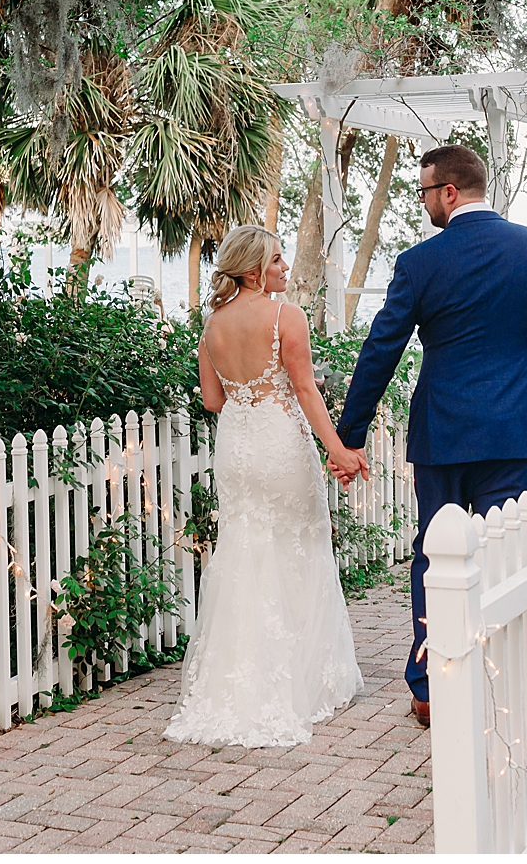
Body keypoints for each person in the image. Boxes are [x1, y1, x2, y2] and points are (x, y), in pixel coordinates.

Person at [335, 144, 527, 729]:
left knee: (434, 557)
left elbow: (381, 349)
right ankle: (502, 672)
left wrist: (351, 432)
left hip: (442, 434)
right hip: (514, 433)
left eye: (423, 191)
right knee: (505, 553)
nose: (421, 203)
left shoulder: (420, 263)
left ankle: (430, 688)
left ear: (449, 191)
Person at [163, 225, 368, 747]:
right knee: (297, 546)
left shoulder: (212, 325)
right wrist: (338, 450)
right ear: (253, 270)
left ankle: (236, 683)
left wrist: (255, 387)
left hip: (237, 446)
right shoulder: (286, 316)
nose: (283, 268)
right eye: (276, 261)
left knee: (244, 551)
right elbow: (302, 388)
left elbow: (213, 400)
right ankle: (300, 682)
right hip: (279, 442)